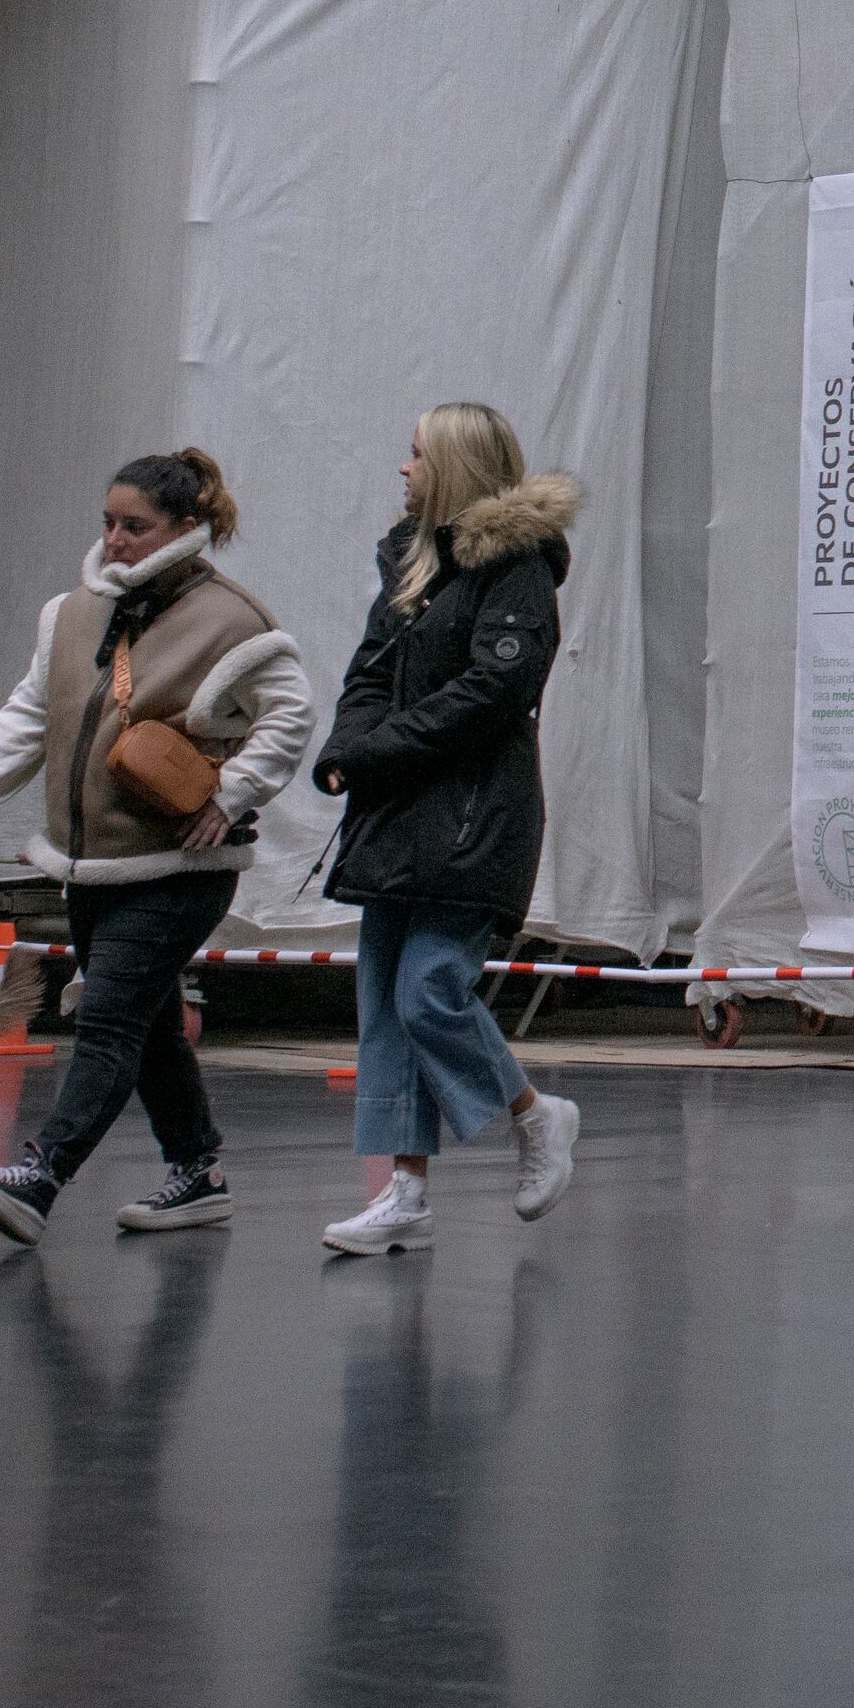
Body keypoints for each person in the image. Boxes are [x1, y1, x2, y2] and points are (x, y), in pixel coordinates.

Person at [0, 449, 317, 1242]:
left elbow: (292, 716)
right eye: (107, 521)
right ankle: (199, 1172)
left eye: (134, 526)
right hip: (89, 865)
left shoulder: (232, 619)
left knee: (108, 1020)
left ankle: (38, 1176)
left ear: (184, 527)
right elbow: (29, 718)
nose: (114, 539)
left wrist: (231, 794)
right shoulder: (70, 613)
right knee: (150, 1022)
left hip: (181, 866)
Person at [312, 403, 583, 1258]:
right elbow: (370, 670)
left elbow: (491, 693)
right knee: (385, 1007)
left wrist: (378, 752)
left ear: (458, 466)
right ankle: (405, 1195)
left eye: (417, 453)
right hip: (394, 810)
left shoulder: (519, 570)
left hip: (475, 817)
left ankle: (537, 1118)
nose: (403, 467)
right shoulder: (409, 559)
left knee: (429, 987)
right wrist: (343, 749)